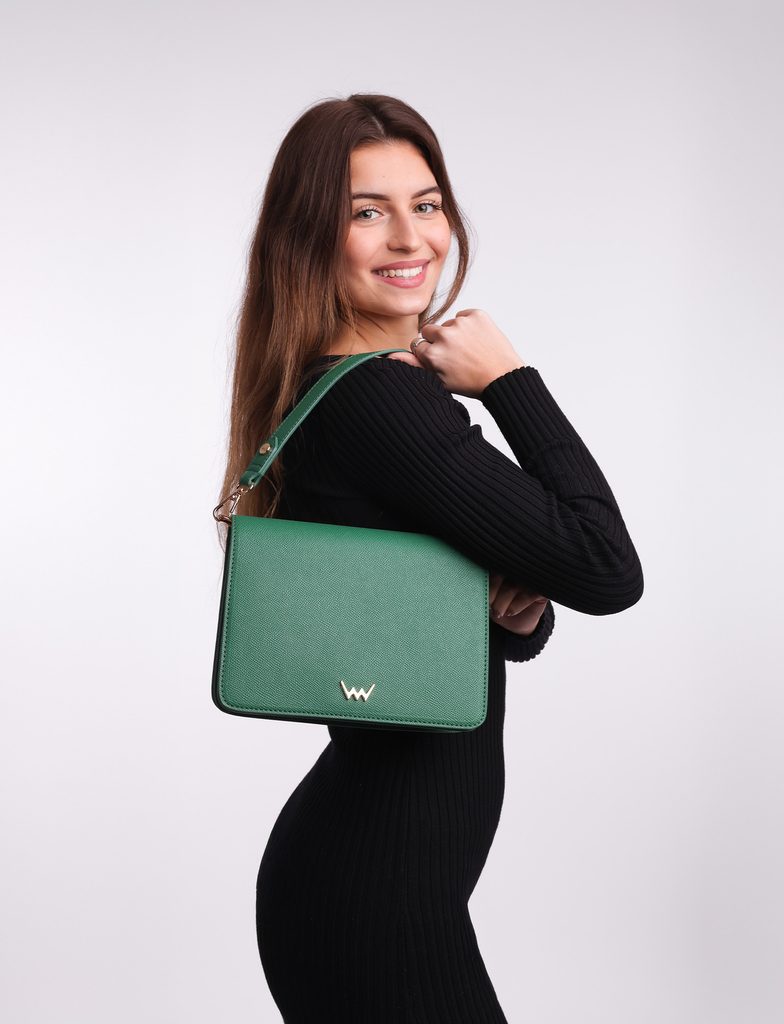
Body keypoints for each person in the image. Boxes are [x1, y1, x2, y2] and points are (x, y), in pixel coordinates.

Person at [215, 93, 644, 1023]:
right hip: (377, 893)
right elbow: (608, 567)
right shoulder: (380, 400)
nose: (411, 237)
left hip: (369, 882)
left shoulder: (343, 389)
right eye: (367, 212)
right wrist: (510, 381)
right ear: (308, 235)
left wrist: (513, 608)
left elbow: (440, 622)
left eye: (428, 203)